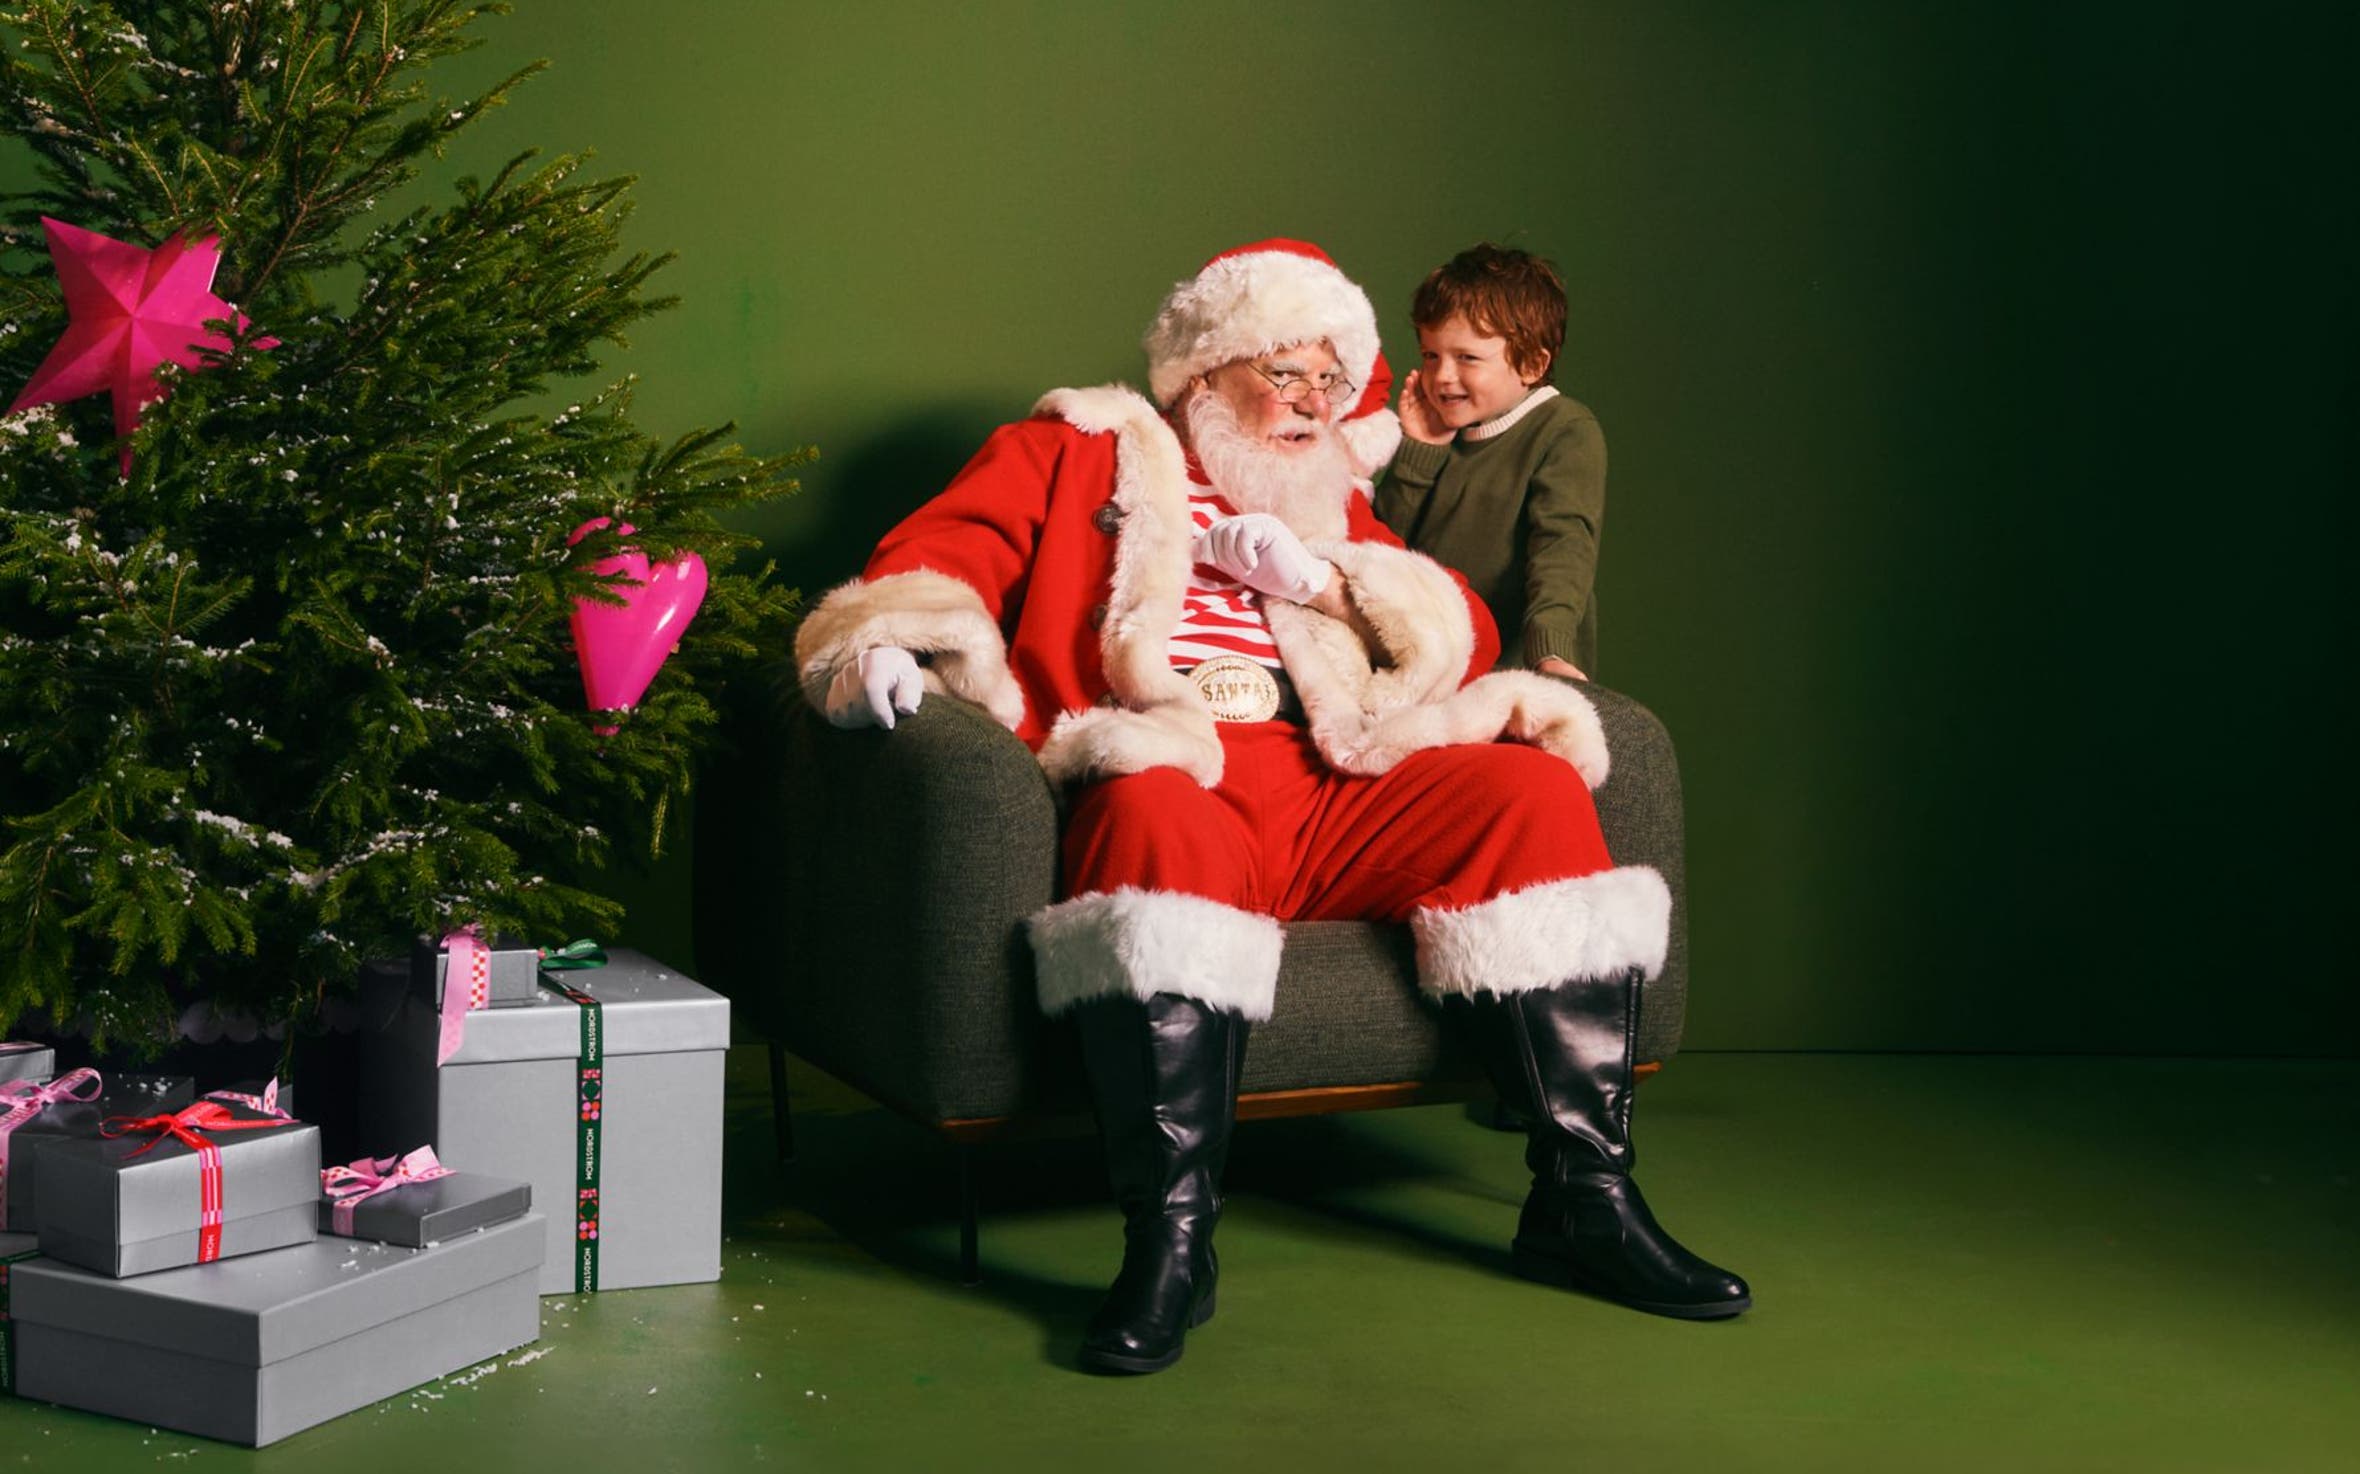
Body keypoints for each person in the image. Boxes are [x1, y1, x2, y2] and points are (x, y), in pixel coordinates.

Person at [793, 239, 1747, 1375]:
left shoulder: (1327, 498)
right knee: (1148, 818)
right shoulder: (1075, 446)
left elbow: (1461, 638)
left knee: (1525, 788)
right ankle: (1171, 1243)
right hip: (1176, 763)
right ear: (1206, 374)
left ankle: (1583, 1202)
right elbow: (940, 551)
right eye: (1285, 374)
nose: (1313, 404)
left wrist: (1325, 579)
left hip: (1329, 779)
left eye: (1331, 380)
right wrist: (882, 647)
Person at [1375, 244, 1606, 679]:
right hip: (1427, 672)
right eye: (1430, 355)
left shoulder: (1562, 428)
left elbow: (1562, 549)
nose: (1442, 376)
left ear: (1532, 364)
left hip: (1518, 673)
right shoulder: (1437, 434)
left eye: (1467, 358)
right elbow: (1380, 549)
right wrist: (1419, 451)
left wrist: (1551, 653)